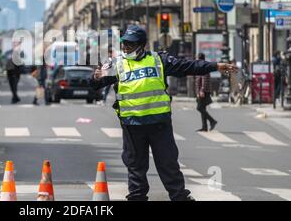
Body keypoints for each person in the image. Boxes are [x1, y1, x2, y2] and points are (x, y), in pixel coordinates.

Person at [90, 25, 238, 201]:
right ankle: (137, 198)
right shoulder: (116, 64)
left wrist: (215, 66)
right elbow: (95, 84)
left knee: (168, 164)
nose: (125, 47)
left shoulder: (158, 59)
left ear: (141, 45)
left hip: (159, 124)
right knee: (136, 166)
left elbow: (188, 66)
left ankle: (179, 197)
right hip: (133, 125)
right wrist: (95, 78)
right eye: (124, 44)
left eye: (130, 44)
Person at [195, 53, 218, 132]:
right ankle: (204, 127)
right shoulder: (201, 66)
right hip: (202, 91)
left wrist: (201, 90)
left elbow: (204, 79)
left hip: (204, 91)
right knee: (202, 108)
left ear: (199, 58)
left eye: (197, 58)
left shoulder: (203, 66)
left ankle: (212, 121)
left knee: (199, 108)